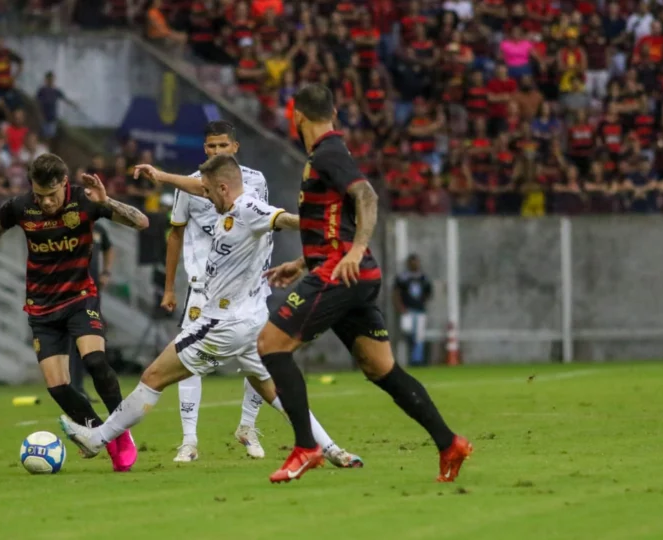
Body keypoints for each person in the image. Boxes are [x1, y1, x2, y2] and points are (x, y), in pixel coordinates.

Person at [58, 155, 362, 469]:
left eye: (207, 190)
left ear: (222, 187)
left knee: (153, 377)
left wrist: (323, 225)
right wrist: (162, 176)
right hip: (250, 324)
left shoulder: (248, 208)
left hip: (222, 324)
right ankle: (333, 450)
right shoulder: (228, 204)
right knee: (274, 391)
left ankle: (98, 438)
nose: (203, 196)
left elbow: (282, 218)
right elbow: (199, 186)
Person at [256, 83, 472, 484]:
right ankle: (449, 443)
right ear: (334, 113)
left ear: (296, 115)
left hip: (342, 271)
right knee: (380, 367)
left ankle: (306, 447)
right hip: (346, 271)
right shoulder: (325, 154)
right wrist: (304, 261)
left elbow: (367, 197)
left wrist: (354, 252)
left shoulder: (328, 153)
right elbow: (338, 220)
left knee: (271, 345)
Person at [0, 153, 150, 472]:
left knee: (94, 360)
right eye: (40, 195)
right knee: (58, 387)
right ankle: (99, 434)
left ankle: (121, 433)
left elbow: (141, 222)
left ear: (65, 183)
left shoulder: (86, 199)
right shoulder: (21, 206)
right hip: (41, 305)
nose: (47, 202)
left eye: (52, 195)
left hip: (80, 296)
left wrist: (109, 202)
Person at [156, 121, 272, 463]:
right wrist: (168, 287)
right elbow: (175, 234)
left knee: (261, 356)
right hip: (202, 288)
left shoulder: (255, 181)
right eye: (210, 146)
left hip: (247, 288)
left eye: (222, 145)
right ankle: (189, 440)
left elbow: (260, 227)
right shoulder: (188, 186)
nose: (216, 152)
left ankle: (247, 427)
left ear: (235, 147)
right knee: (188, 361)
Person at [68, 218, 114, 401]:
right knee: (72, 340)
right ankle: (72, 387)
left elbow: (109, 249)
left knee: (86, 340)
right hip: (70, 291)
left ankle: (79, 387)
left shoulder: (99, 228)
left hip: (92, 292)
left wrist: (106, 272)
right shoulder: (68, 225)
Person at [394, 254, 433, 366]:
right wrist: (400, 307)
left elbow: (429, 292)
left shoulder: (423, 277)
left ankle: (417, 360)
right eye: (412, 262)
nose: (415, 264)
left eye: (416, 262)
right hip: (407, 310)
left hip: (420, 310)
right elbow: (396, 293)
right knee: (407, 332)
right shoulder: (403, 277)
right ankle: (410, 355)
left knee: (419, 336)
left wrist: (423, 302)